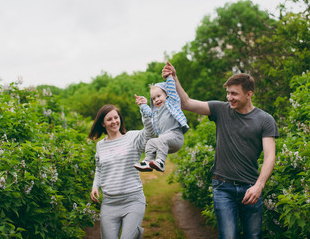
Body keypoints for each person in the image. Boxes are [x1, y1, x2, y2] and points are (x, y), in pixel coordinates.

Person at [162, 62, 279, 238]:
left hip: (251, 188)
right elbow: (185, 103)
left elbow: (270, 157)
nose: (229, 97)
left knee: (253, 236)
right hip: (223, 187)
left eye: (234, 94)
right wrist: (174, 78)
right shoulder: (221, 110)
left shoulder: (265, 120)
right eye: (227, 93)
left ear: (249, 94)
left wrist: (259, 186)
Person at [88, 101, 155, 239]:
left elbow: (150, 130)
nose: (114, 121)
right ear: (103, 123)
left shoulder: (132, 138)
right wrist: (95, 186)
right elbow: (99, 169)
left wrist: (144, 109)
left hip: (133, 200)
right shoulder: (100, 145)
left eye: (116, 117)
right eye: (109, 119)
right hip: (109, 203)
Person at [133, 75, 189, 172]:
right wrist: (142, 105)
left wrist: (169, 77)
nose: (157, 100)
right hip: (164, 143)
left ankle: (160, 162)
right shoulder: (156, 113)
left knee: (161, 138)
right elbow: (148, 112)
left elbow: (172, 90)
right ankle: (148, 162)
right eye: (154, 99)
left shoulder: (172, 104)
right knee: (151, 142)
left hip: (176, 137)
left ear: (166, 95)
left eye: (159, 96)